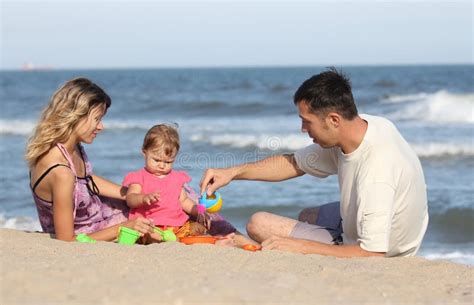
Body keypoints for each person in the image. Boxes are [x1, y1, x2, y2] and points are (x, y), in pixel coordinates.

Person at [200, 68, 429, 257]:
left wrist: (298, 246)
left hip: (387, 252)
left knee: (258, 224)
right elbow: (294, 163)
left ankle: (327, 244)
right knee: (307, 216)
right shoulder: (366, 127)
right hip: (372, 220)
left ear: (333, 120)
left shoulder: (377, 172)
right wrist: (232, 172)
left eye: (306, 121)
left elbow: (373, 254)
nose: (302, 129)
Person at [26, 78, 159, 242]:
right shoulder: (60, 172)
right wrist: (125, 227)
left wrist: (127, 193)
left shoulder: (71, 146)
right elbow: (66, 240)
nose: (101, 126)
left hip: (99, 213)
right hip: (89, 232)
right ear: (76, 116)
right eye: (97, 119)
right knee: (157, 217)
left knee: (162, 194)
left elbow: (85, 180)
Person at [122, 124, 238, 241]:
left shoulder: (176, 178)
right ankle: (161, 239)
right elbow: (130, 199)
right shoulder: (138, 177)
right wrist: (143, 198)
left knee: (199, 228)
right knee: (150, 234)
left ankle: (216, 241)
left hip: (177, 226)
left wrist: (199, 212)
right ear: (144, 152)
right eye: (156, 160)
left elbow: (184, 201)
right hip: (151, 225)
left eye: (168, 162)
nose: (162, 166)